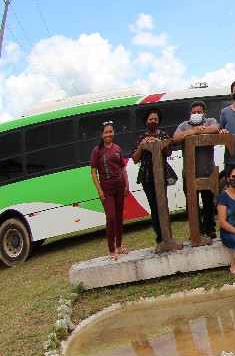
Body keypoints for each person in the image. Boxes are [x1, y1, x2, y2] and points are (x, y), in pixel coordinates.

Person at [173, 100, 226, 239]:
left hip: (208, 173)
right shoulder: (184, 125)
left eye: (199, 112)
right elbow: (176, 138)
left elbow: (217, 128)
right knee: (192, 205)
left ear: (204, 113)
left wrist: (200, 131)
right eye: (194, 112)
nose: (196, 114)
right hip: (189, 175)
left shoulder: (209, 121)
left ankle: (210, 229)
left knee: (209, 203)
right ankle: (196, 231)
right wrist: (192, 131)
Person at [131, 107, 173, 247]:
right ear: (145, 121)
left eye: (156, 119)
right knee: (154, 207)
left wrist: (158, 142)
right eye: (151, 119)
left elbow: (168, 153)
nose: (153, 121)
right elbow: (135, 159)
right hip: (147, 176)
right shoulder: (141, 138)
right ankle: (160, 238)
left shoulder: (163, 135)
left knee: (163, 204)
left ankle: (168, 235)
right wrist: (142, 146)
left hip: (161, 174)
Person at [90, 121, 129, 260]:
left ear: (114, 132)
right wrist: (99, 191)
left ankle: (119, 246)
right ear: (102, 134)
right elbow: (93, 172)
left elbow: (122, 167)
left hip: (119, 187)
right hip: (106, 189)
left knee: (119, 217)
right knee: (111, 218)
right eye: (106, 132)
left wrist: (126, 184)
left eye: (111, 131)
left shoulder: (117, 148)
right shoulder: (97, 151)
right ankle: (111, 250)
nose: (109, 134)